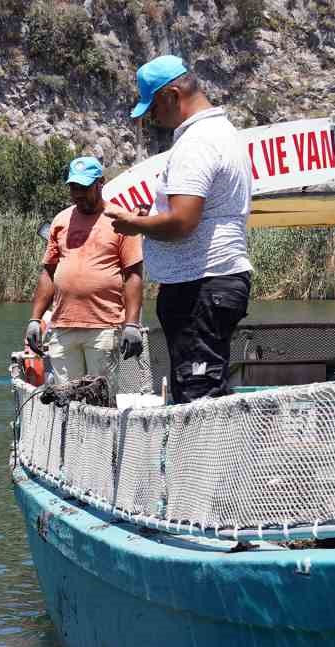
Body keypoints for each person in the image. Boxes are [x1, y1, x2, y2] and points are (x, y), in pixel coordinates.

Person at [104, 55, 253, 403]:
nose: (153, 118)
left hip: (200, 287)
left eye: (153, 107)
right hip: (212, 283)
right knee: (204, 388)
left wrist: (133, 223)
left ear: (172, 95)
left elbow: (182, 223)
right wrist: (153, 214)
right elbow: (193, 210)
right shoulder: (223, 133)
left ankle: (207, 460)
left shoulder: (196, 143)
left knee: (198, 394)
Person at [23, 155, 145, 384]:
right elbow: (49, 272)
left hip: (103, 328)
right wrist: (35, 319)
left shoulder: (121, 220)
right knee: (67, 400)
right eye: (73, 188)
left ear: (101, 183)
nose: (78, 194)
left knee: (100, 398)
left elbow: (134, 275)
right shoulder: (60, 221)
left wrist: (131, 324)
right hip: (63, 328)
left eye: (84, 188)